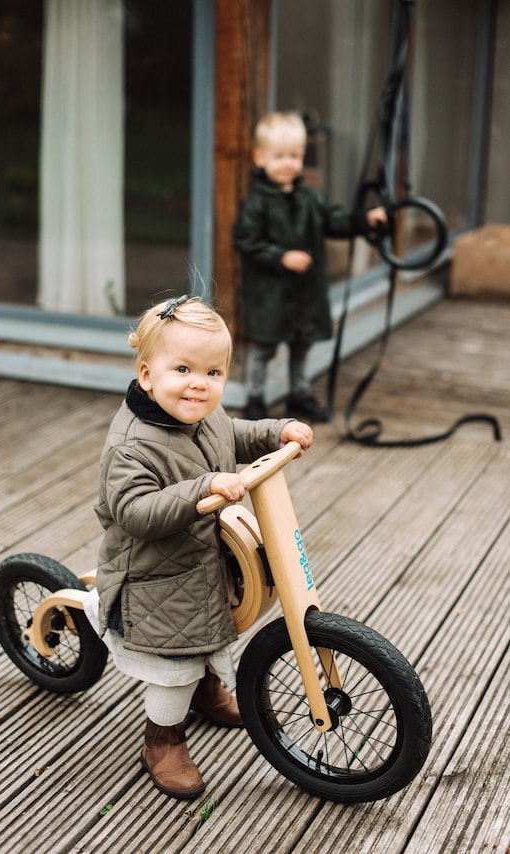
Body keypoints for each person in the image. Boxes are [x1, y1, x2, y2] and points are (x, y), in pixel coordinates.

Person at [86, 295, 313, 800]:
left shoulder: (202, 413)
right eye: (183, 368)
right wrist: (202, 488)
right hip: (153, 576)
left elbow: (232, 434)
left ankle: (208, 692)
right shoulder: (132, 445)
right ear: (147, 375)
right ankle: (162, 738)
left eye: (213, 372)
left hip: (202, 562)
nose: (199, 383)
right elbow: (135, 513)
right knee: (173, 666)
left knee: (215, 630)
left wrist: (277, 431)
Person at [233, 111, 387, 421]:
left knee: (301, 345)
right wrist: (280, 257)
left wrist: (363, 221)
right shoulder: (257, 203)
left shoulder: (311, 199)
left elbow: (336, 220)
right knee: (263, 347)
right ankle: (255, 398)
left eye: (295, 155)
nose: (288, 163)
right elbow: (246, 240)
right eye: (279, 156)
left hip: (304, 293)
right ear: (260, 158)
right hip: (269, 295)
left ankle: (298, 395)